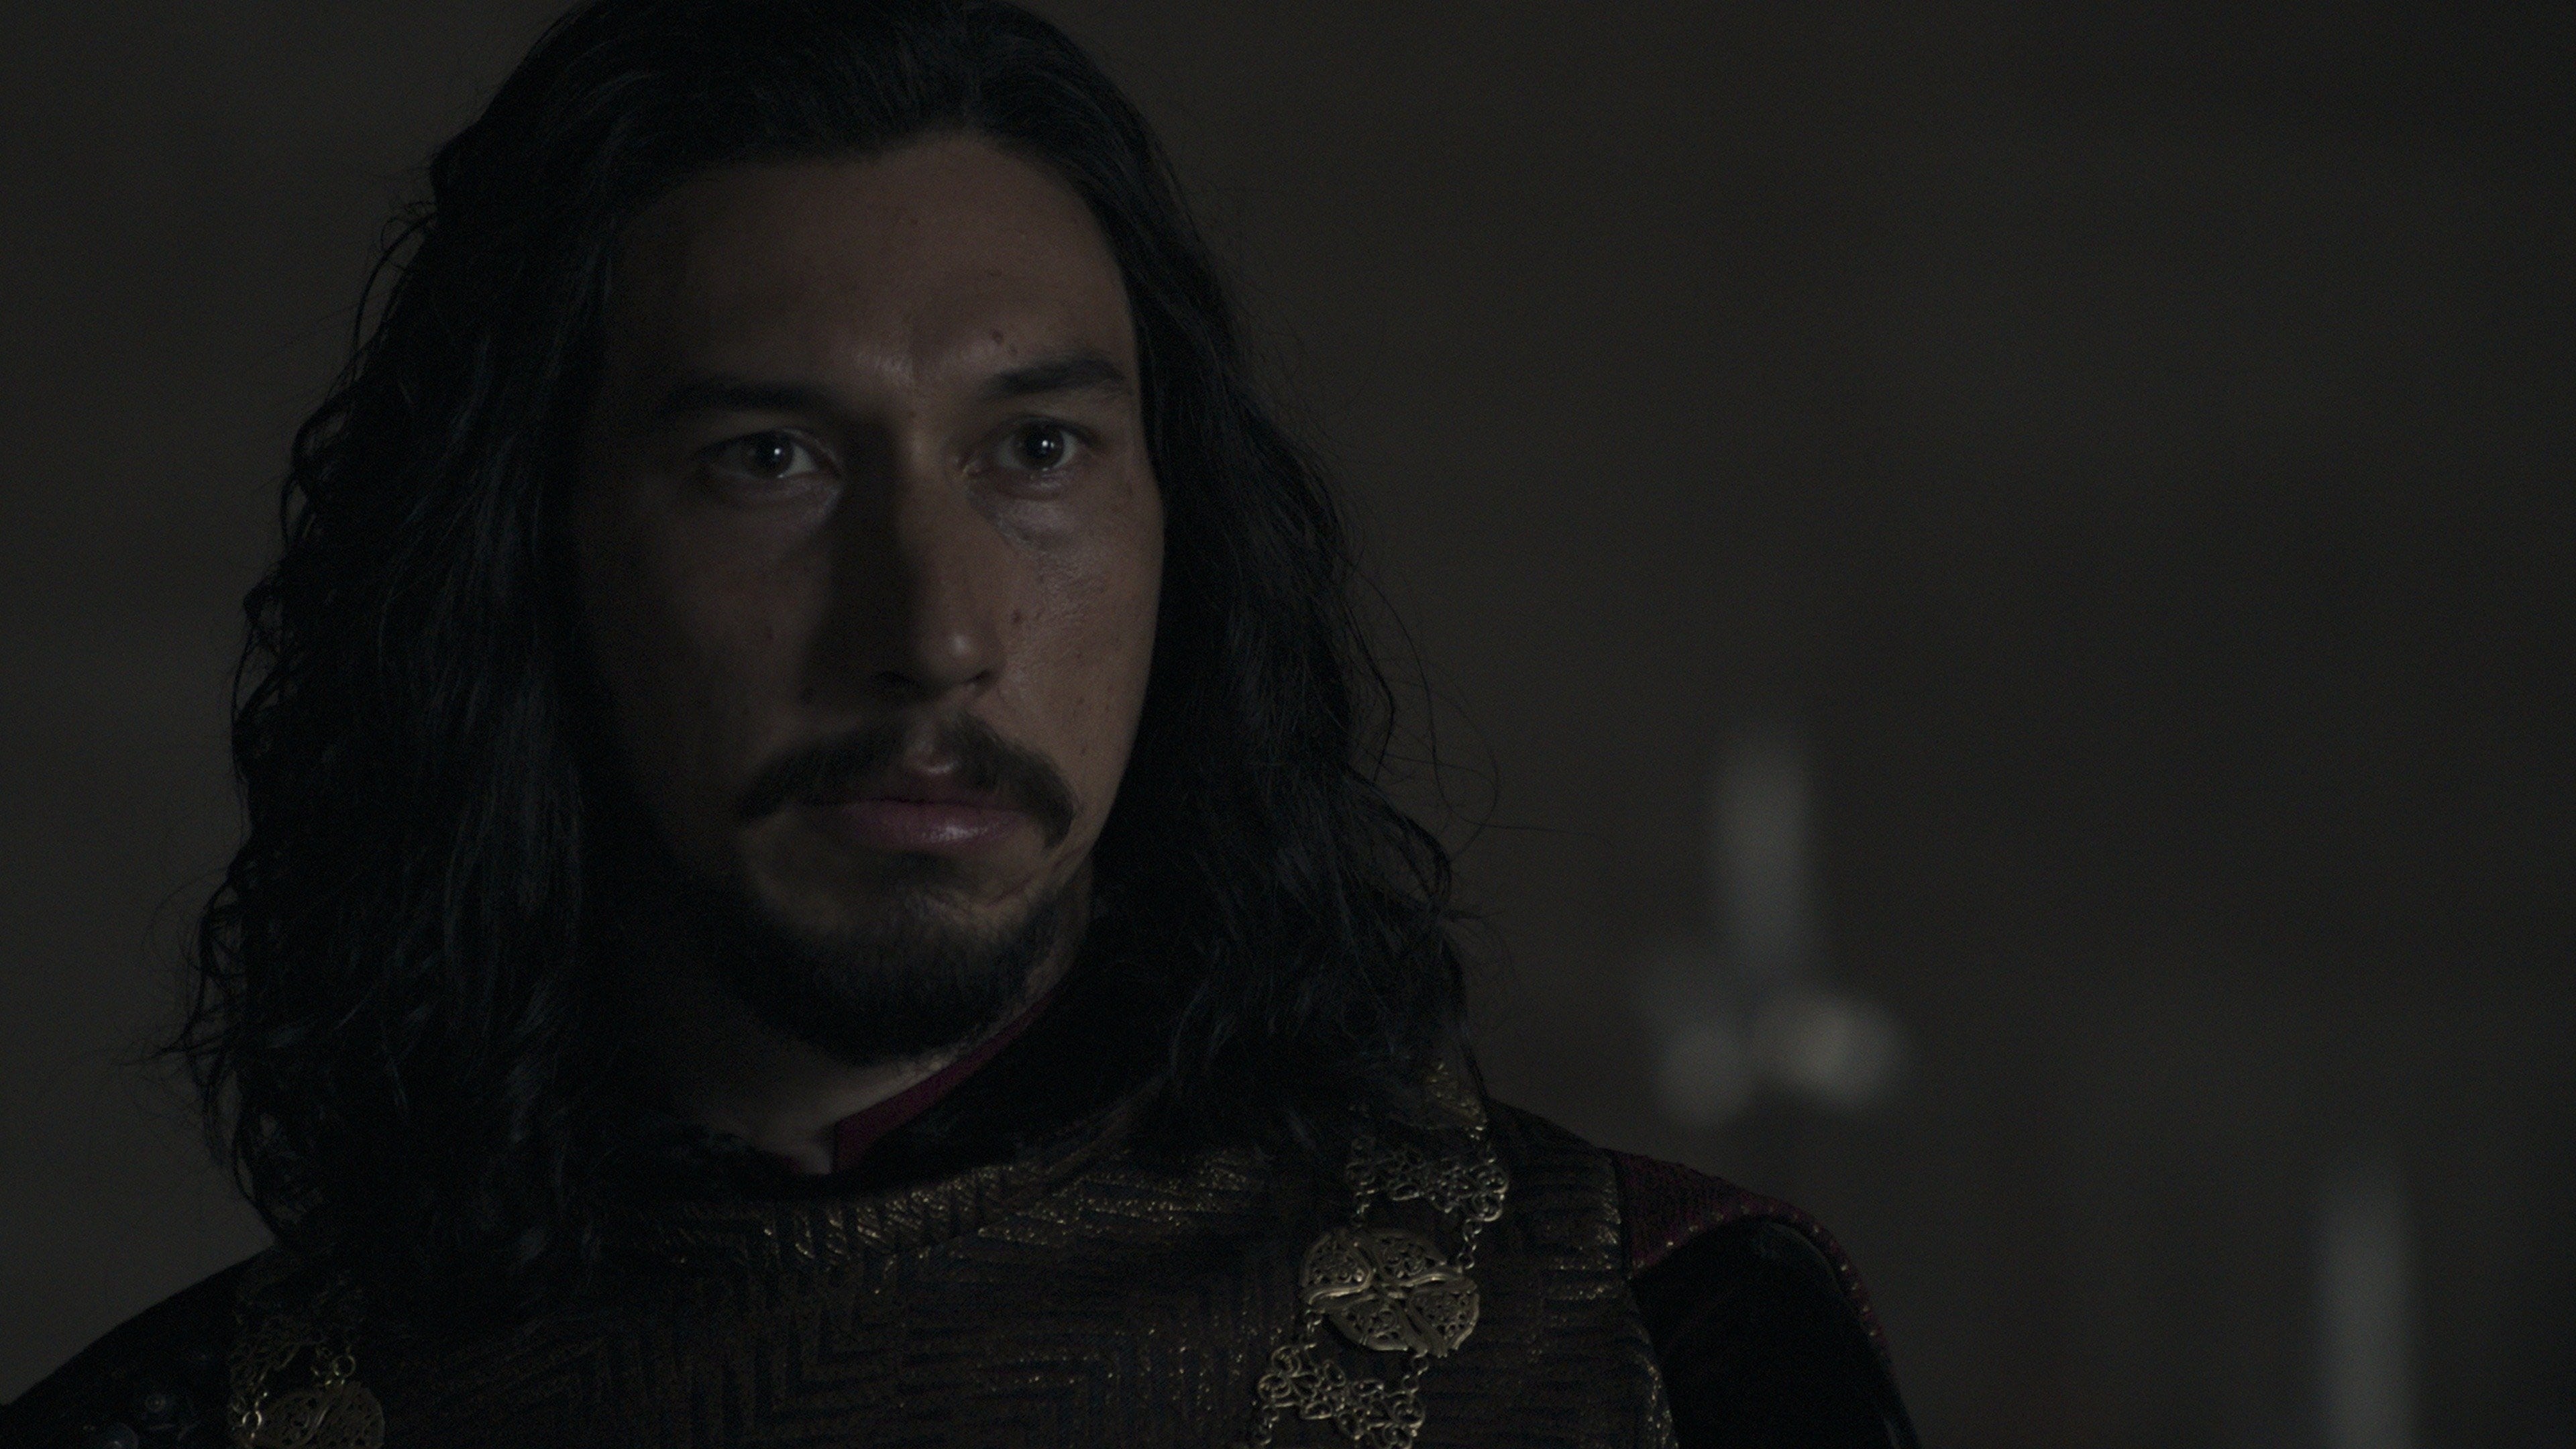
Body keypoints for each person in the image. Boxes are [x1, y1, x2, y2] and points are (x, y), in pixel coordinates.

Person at [3, 3, 1918, 1446]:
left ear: (1179, 533)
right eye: (769, 460)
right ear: (525, 555)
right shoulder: (180, 1422)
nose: (930, 633)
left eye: (1038, 452)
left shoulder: (1644, 1346)